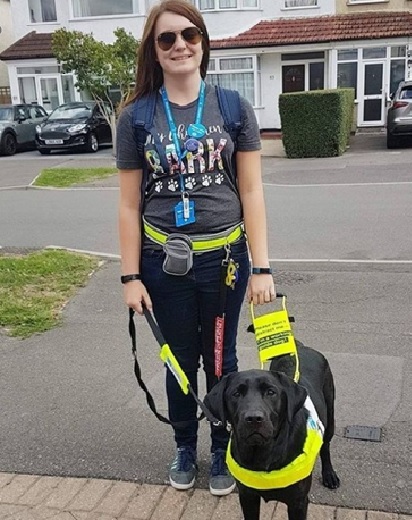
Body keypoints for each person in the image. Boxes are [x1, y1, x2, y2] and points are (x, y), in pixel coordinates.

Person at [115, 0, 275, 496]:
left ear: (203, 44)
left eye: (189, 35)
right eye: (167, 39)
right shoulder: (137, 117)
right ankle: (185, 444)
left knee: (221, 360)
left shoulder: (232, 107)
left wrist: (262, 267)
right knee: (179, 361)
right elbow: (126, 206)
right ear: (155, 51)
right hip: (165, 265)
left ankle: (221, 445)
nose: (180, 45)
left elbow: (251, 192)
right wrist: (130, 276)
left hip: (225, 262)